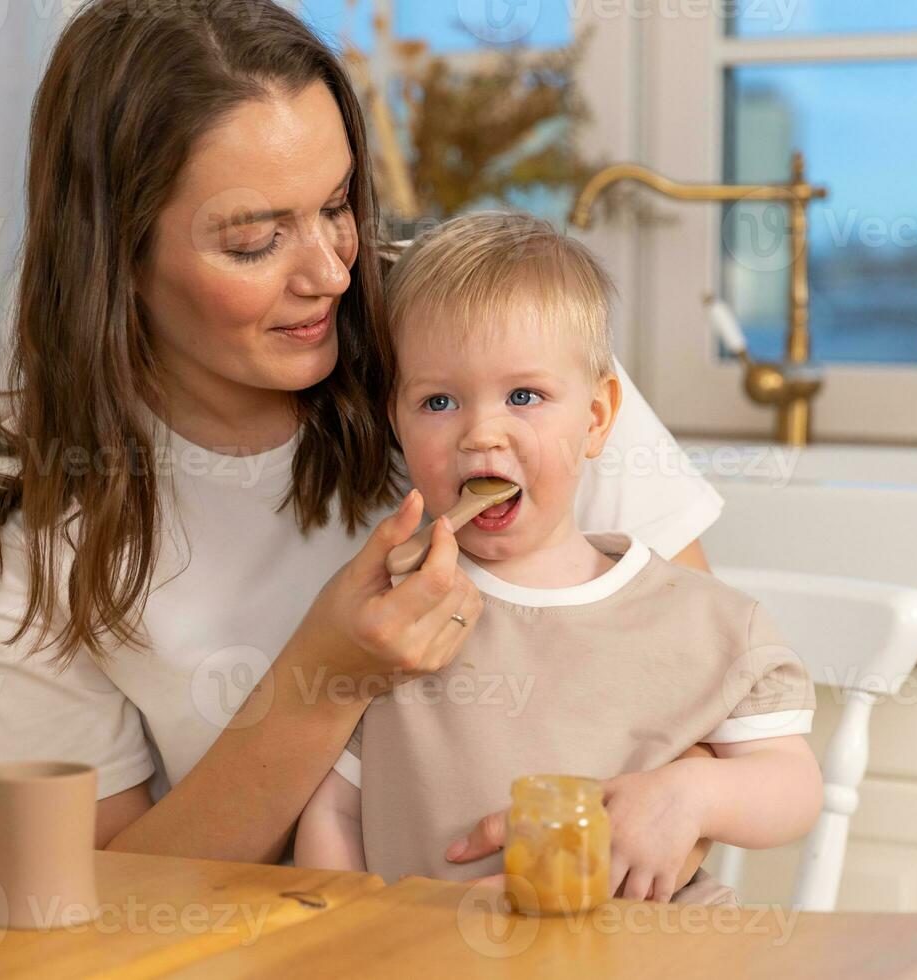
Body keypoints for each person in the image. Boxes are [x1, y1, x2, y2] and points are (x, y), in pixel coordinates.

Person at [0, 0, 728, 893]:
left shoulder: (496, 348)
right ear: (114, 254)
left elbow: (701, 720)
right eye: (256, 239)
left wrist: (545, 892)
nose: (331, 274)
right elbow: (93, 894)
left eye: (337, 205)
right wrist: (327, 676)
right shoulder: (24, 514)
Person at [291, 211, 822, 902]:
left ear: (598, 418)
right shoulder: (398, 622)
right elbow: (334, 811)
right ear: (398, 421)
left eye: (524, 396)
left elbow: (792, 784)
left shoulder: (701, 620)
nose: (482, 433)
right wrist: (348, 937)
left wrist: (691, 794)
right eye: (440, 400)